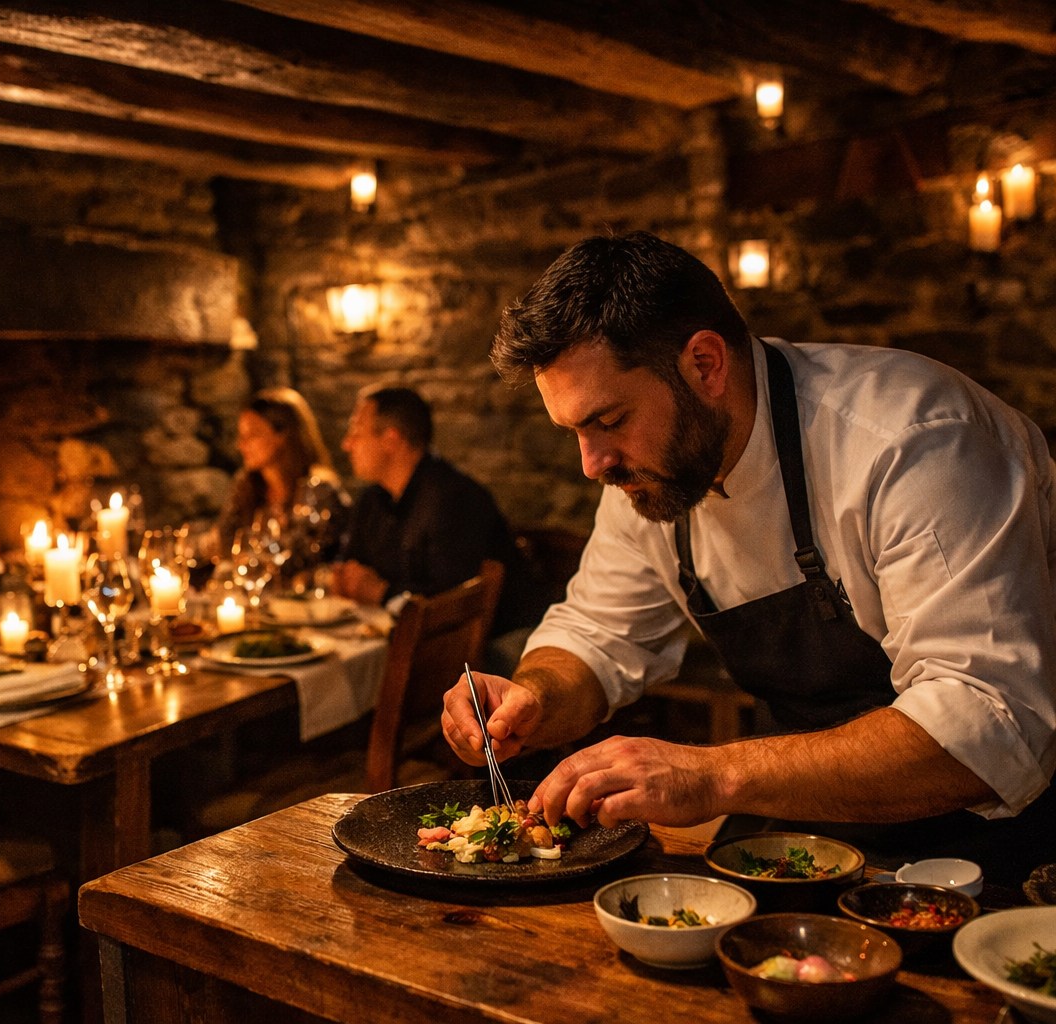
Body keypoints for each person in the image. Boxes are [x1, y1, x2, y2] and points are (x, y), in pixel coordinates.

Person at [440, 231, 1056, 885]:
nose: (592, 465)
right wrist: (534, 696)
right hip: (798, 825)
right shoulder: (651, 479)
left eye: (610, 421)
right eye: (574, 432)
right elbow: (595, 635)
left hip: (995, 846)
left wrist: (711, 774)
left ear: (705, 366)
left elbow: (987, 724)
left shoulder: (913, 440)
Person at [335, 386, 545, 661]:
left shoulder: (454, 498)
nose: (346, 444)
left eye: (356, 432)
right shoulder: (373, 499)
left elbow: (456, 601)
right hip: (406, 642)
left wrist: (381, 592)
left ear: (391, 440)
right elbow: (351, 567)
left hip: (492, 644)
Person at [207, 387, 350, 572]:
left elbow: (305, 559)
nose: (241, 445)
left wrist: (251, 559)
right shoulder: (246, 484)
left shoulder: (318, 488)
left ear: (282, 435)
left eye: (252, 434)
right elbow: (224, 541)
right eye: (241, 436)